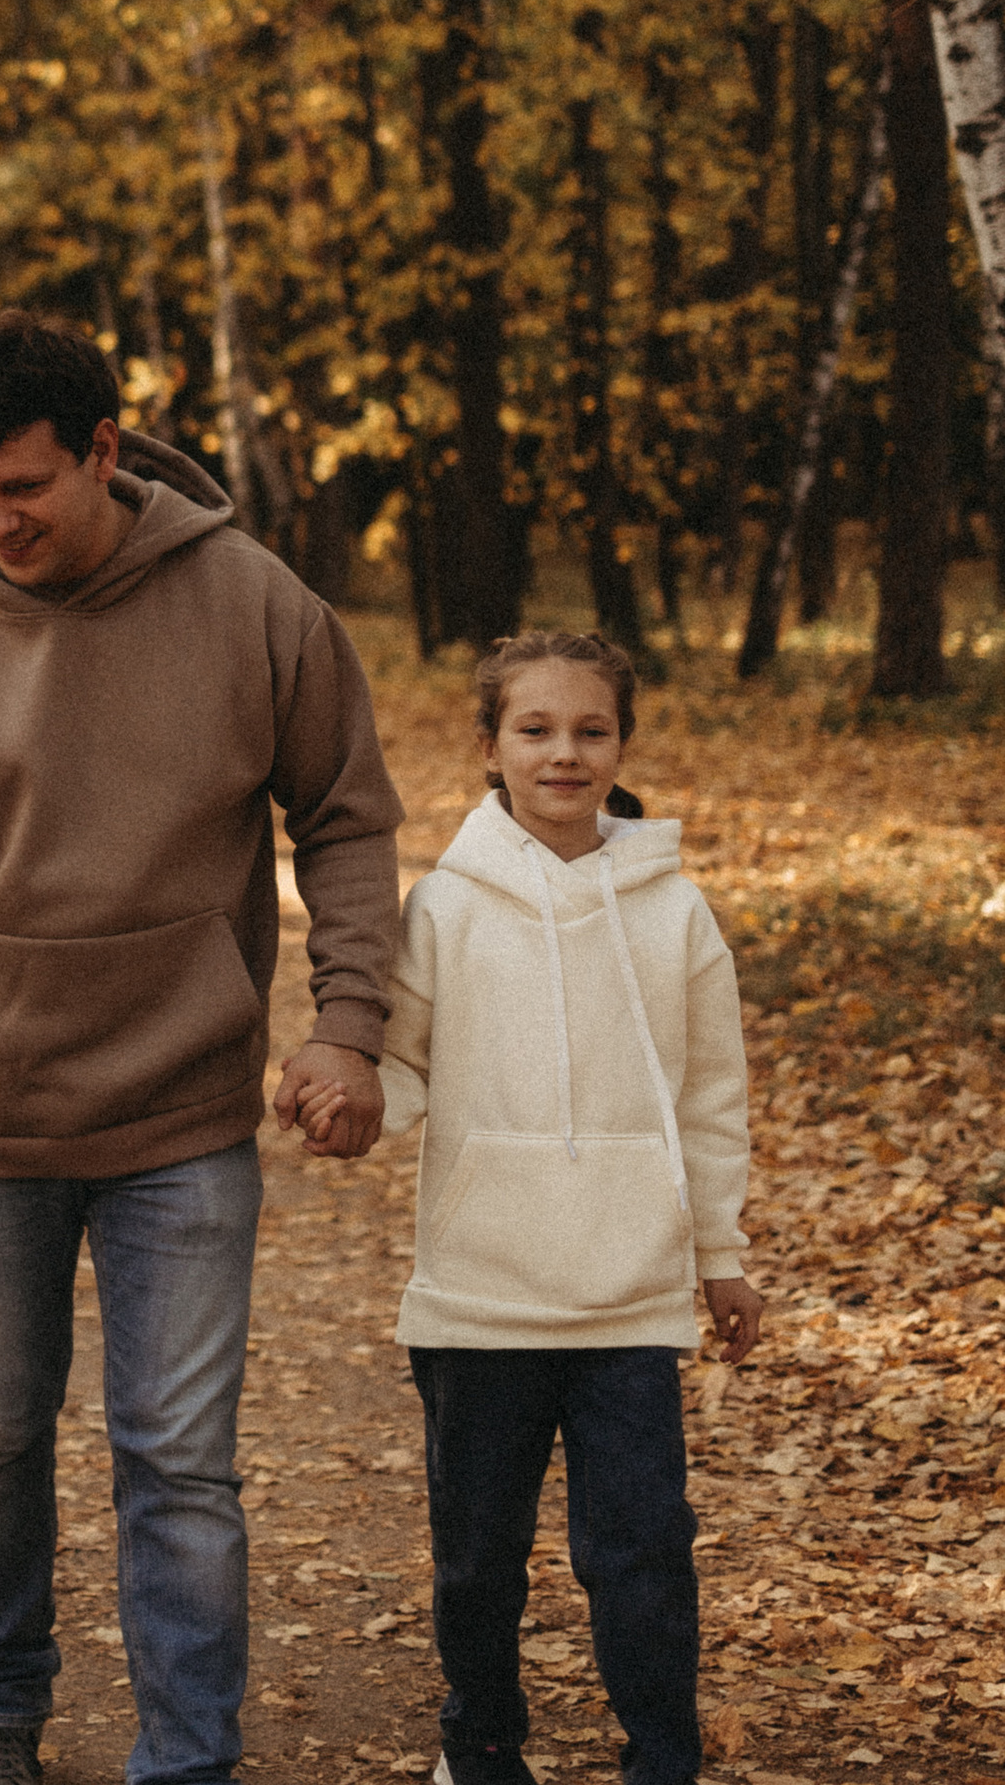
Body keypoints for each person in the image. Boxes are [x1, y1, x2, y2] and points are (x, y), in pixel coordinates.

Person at [0, 309, 405, 1785]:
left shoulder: (255, 606)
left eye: (22, 489)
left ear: (106, 453)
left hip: (183, 1112)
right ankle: (0, 1713)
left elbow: (349, 823)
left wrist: (352, 1023)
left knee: (179, 1463)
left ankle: (187, 1756)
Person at [294, 631, 761, 1785]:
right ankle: (484, 1747)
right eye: (535, 729)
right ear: (491, 746)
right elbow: (401, 1069)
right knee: (477, 1556)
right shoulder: (444, 907)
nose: (564, 752)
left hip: (630, 1299)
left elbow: (707, 1096)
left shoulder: (674, 910)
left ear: (622, 744)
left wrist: (722, 1252)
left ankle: (663, 1758)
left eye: (590, 729)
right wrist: (342, 1097)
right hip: (479, 1297)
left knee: (642, 1550)